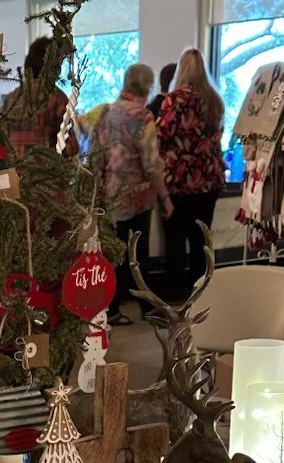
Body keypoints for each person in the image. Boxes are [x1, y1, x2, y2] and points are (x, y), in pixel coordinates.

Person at [92, 63, 173, 325]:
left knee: (112, 254)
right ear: (148, 87)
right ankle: (148, 308)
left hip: (109, 193)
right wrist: (165, 197)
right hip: (137, 197)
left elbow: (95, 154)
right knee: (138, 256)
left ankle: (111, 308)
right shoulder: (143, 117)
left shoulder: (107, 112)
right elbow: (151, 163)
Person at [158, 48, 225, 294]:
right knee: (201, 240)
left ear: (181, 69)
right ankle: (201, 290)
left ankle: (176, 293)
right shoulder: (215, 99)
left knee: (175, 241)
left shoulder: (173, 100)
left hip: (178, 180)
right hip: (209, 180)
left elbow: (161, 136)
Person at [2, 37, 76, 158]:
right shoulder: (58, 99)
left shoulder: (10, 99)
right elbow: (70, 148)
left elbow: (3, 142)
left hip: (15, 172)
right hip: (46, 173)